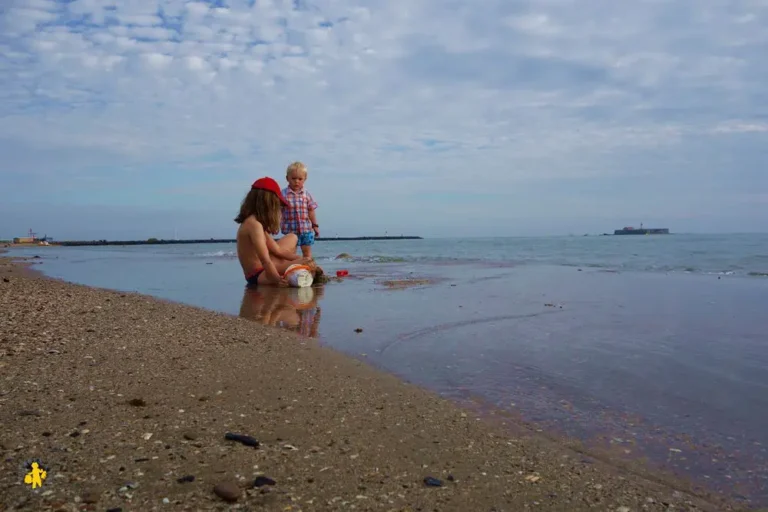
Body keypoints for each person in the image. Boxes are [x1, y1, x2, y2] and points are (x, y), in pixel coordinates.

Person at [235, 177, 306, 287]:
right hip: (258, 275)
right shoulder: (254, 225)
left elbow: (278, 251)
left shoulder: (257, 224)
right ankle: (292, 272)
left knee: (292, 237)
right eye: (277, 205)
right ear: (268, 204)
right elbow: (265, 260)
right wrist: (277, 280)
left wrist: (301, 259)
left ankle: (293, 267)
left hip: (265, 269)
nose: (278, 210)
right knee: (301, 267)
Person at [281, 161, 320, 259]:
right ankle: (292, 270)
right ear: (287, 178)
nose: (297, 181)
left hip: (306, 229)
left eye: (300, 179)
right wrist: (275, 224)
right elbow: (279, 211)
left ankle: (309, 271)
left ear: (305, 179)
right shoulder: (283, 194)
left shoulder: (306, 194)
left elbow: (311, 210)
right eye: (293, 178)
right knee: (291, 254)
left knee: (307, 254)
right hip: (290, 231)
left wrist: (315, 225)